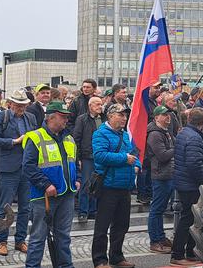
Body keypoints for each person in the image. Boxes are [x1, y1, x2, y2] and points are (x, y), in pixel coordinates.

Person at [23, 101, 81, 268]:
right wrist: (45, 184)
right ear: (50, 118)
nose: (66, 120)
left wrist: (77, 179)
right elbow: (28, 166)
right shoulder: (35, 137)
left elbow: (74, 162)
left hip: (67, 194)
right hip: (44, 196)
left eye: (66, 117)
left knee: (63, 236)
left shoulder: (69, 138)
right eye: (62, 117)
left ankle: (65, 265)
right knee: (38, 237)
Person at [91, 104, 140, 268]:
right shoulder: (100, 134)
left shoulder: (125, 135)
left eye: (125, 116)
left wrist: (137, 165)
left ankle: (116, 257)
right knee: (102, 226)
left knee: (121, 225)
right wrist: (124, 159)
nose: (124, 118)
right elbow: (99, 156)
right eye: (121, 115)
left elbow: (134, 153)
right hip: (108, 186)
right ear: (111, 116)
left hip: (124, 186)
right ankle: (100, 260)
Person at [0, 89, 38, 256]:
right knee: (5, 206)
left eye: (24, 105)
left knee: (26, 207)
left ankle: (20, 240)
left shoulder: (30, 118)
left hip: (27, 167)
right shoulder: (1, 117)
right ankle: (1, 241)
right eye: (18, 105)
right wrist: (14, 141)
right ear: (10, 104)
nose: (21, 108)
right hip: (9, 167)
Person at [171, 108, 203, 267]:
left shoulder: (184, 133)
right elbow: (194, 164)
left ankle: (189, 251)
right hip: (191, 184)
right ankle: (178, 253)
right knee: (188, 219)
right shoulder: (194, 138)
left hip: (185, 182)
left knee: (192, 218)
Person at [146, 106, 175, 254]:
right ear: (156, 117)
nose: (167, 117)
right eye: (164, 115)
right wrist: (177, 148)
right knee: (156, 209)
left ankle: (161, 237)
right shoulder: (155, 134)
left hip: (168, 174)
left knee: (161, 208)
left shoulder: (165, 132)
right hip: (160, 175)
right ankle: (154, 240)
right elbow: (162, 155)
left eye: (168, 115)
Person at [73, 96, 103, 222]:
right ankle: (83, 211)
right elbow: (76, 138)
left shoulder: (104, 119)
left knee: (97, 184)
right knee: (86, 184)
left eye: (101, 104)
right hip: (86, 156)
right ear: (90, 106)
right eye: (97, 104)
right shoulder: (82, 119)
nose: (100, 107)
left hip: (100, 156)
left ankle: (93, 210)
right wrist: (78, 157)